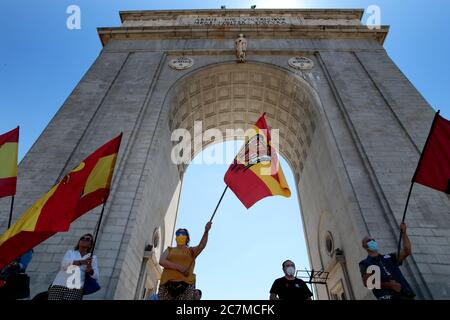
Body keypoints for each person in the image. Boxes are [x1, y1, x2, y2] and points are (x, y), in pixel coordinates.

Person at [359, 222, 415, 300]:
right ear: (364, 246)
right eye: (369, 241)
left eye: (373, 240)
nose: (372, 242)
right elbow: (367, 283)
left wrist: (404, 233)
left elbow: (407, 251)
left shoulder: (390, 257)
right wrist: (390, 285)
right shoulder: (365, 263)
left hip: (406, 295)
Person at [158, 222, 212, 300]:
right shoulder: (169, 250)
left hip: (186, 285)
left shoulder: (191, 251)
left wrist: (206, 231)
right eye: (178, 233)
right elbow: (161, 261)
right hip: (167, 285)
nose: (180, 235)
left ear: (187, 237)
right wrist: (179, 268)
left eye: (182, 233)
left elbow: (202, 245)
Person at [48, 233, 99, 300]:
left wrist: (90, 269)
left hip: (75, 288)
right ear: (79, 242)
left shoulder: (92, 257)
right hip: (59, 284)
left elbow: (96, 276)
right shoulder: (70, 252)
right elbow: (64, 265)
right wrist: (82, 262)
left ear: (90, 245)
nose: (84, 240)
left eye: (87, 239)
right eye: (82, 238)